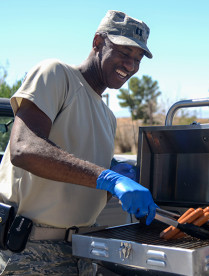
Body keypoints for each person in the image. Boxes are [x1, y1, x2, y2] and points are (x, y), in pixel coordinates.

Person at [0, 10, 156, 275]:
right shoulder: (56, 74)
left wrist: (115, 184)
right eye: (123, 53)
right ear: (98, 42)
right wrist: (109, 178)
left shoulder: (108, 116)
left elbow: (81, 184)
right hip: (30, 249)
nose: (130, 65)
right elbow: (23, 149)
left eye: (137, 58)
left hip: (83, 252)